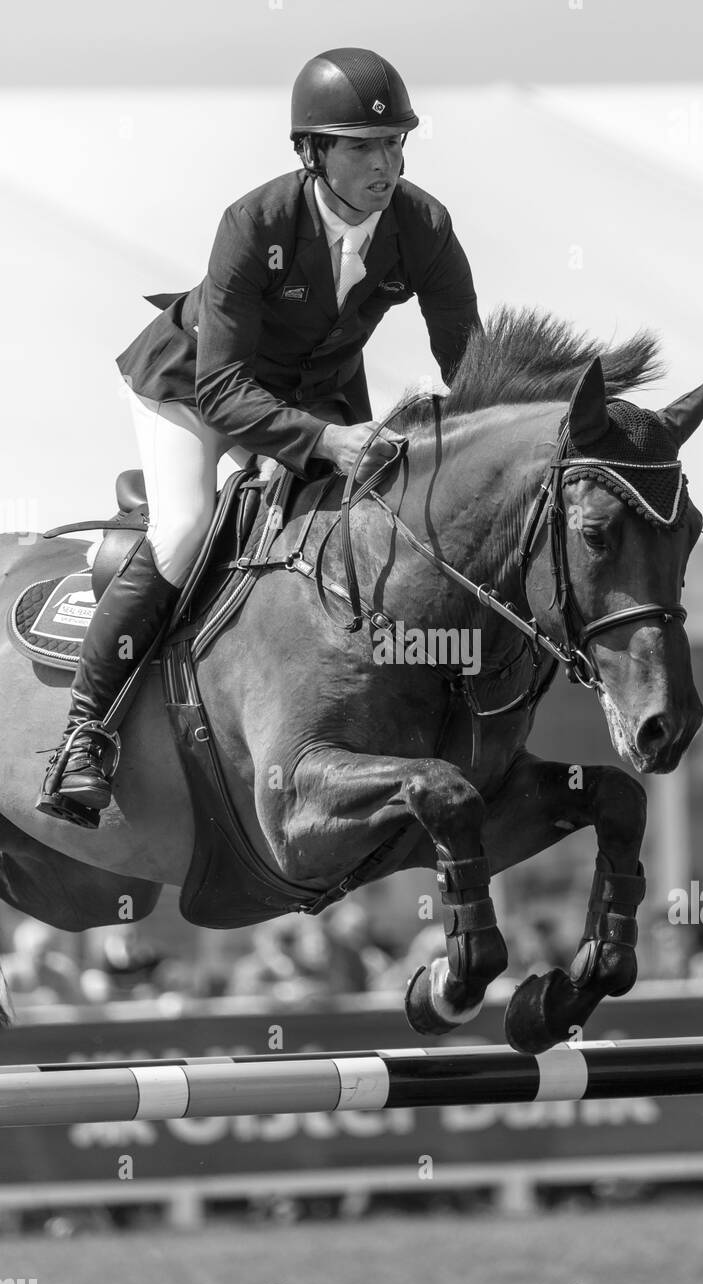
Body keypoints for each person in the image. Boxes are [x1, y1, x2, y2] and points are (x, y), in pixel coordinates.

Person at [37, 46, 481, 827]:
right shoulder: (255, 222)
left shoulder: (423, 224)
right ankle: (84, 734)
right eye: (362, 146)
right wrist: (329, 443)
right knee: (186, 530)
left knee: (369, 526)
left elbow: (468, 362)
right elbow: (223, 387)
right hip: (193, 387)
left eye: (394, 142)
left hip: (314, 392)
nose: (386, 161)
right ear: (313, 152)